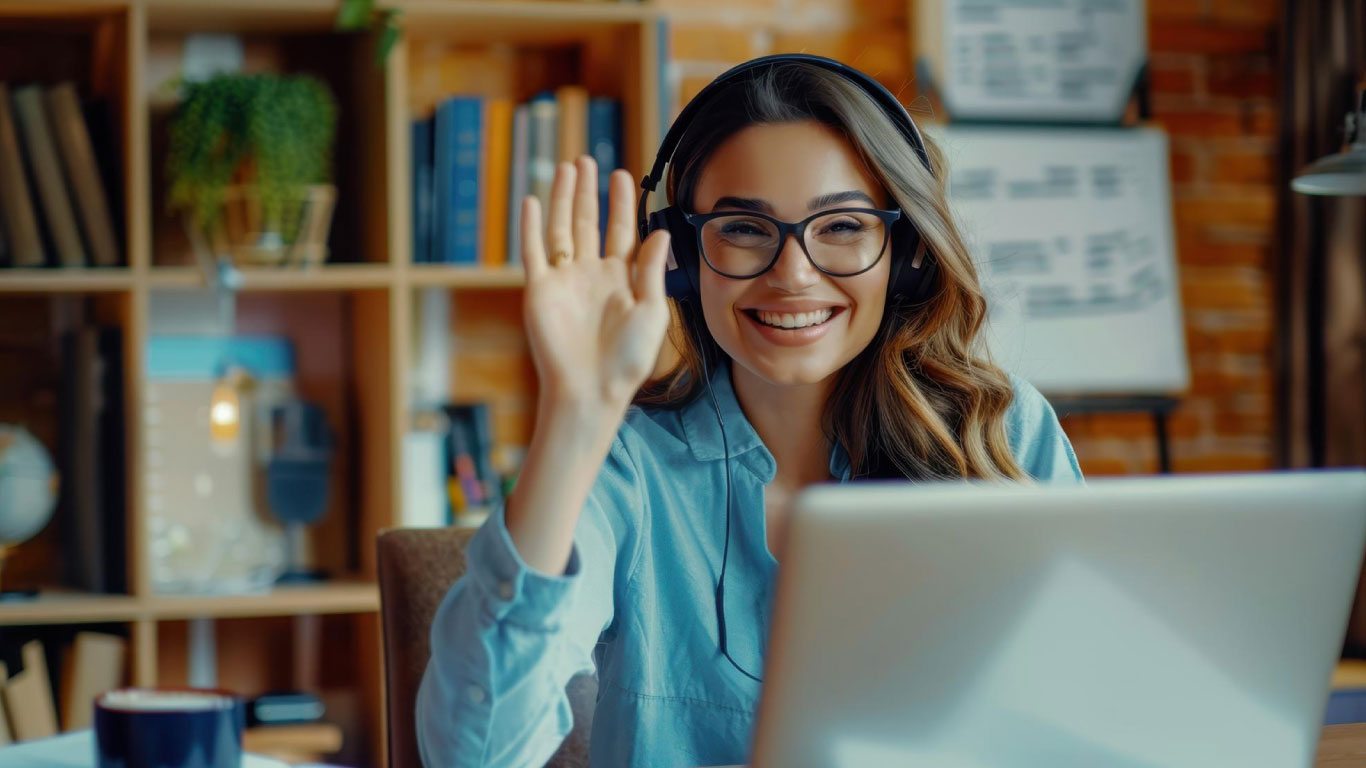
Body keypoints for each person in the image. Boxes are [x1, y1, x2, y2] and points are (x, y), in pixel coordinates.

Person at [416, 56, 1082, 768]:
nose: (792, 274)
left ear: (906, 253)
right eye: (741, 229)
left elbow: (1088, 707)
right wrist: (577, 413)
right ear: (681, 257)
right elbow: (471, 755)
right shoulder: (626, 470)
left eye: (843, 226)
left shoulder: (1002, 432)